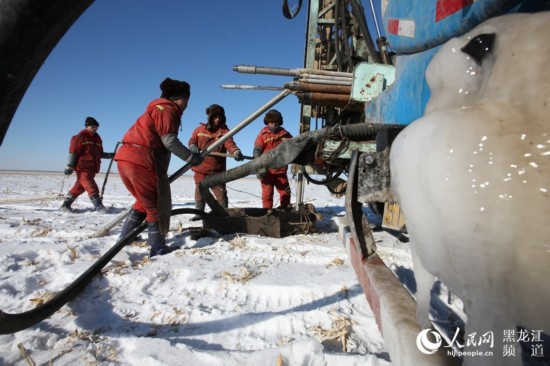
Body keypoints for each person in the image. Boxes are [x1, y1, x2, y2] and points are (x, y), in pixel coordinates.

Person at [114, 77, 202, 257]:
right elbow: (169, 140)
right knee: (155, 206)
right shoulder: (167, 109)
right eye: (186, 101)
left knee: (143, 201)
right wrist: (190, 157)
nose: (187, 106)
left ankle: (126, 237)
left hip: (126, 159)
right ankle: (158, 248)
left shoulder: (156, 109)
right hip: (142, 160)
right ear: (182, 99)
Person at [188, 104, 244, 220]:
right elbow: (192, 140)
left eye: (220, 117)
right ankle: (199, 213)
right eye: (215, 117)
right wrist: (193, 146)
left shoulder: (224, 132)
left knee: (221, 195)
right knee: (199, 193)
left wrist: (236, 152)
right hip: (200, 170)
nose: (217, 119)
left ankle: (223, 214)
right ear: (210, 117)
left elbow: (230, 144)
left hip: (217, 172)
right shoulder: (199, 130)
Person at [61, 117, 114, 212]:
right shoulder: (79, 137)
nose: (95, 128)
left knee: (79, 188)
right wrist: (69, 166)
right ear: (87, 126)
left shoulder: (97, 139)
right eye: (93, 126)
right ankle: (99, 207)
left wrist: (111, 155)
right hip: (82, 167)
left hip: (93, 168)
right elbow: (73, 152)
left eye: (96, 127)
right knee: (91, 186)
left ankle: (65, 205)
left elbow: (100, 154)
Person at [253, 109, 293, 210]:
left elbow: (294, 148)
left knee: (285, 192)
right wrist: (258, 167)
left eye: (276, 122)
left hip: (281, 171)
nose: (274, 124)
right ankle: (267, 212)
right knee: (267, 194)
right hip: (267, 172)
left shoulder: (286, 135)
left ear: (280, 122)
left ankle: (285, 210)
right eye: (272, 122)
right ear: (268, 122)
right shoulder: (262, 135)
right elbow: (257, 150)